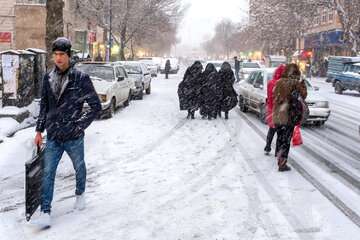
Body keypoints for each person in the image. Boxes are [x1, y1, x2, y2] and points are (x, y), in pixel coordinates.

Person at [33, 37, 102, 227]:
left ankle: (80, 194)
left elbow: (95, 106)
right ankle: (45, 211)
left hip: (74, 136)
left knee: (79, 168)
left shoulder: (80, 78)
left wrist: (79, 126)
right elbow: (44, 106)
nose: (58, 58)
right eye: (55, 55)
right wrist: (39, 131)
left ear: (69, 55)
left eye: (62, 54)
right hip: (54, 135)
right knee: (48, 173)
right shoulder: (48, 78)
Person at [273, 64, 307, 172]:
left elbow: (275, 95)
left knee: (280, 137)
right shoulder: (296, 83)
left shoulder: (279, 82)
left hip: (278, 114)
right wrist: (303, 84)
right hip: (289, 115)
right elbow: (304, 95)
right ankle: (282, 163)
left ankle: (279, 156)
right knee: (286, 140)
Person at [264, 64, 286, 155]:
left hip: (271, 109)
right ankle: (278, 151)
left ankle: (268, 147)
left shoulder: (270, 83)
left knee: (272, 130)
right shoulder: (283, 84)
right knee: (280, 132)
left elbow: (269, 96)